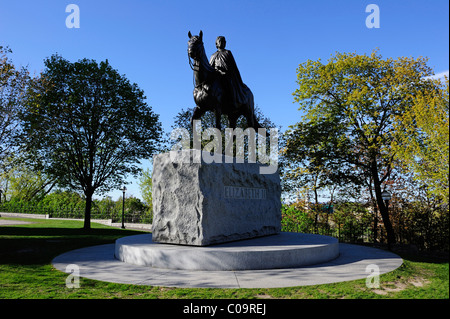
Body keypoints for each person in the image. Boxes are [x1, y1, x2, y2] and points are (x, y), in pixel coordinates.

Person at [209, 36, 248, 108]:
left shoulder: (227, 52)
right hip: (217, 76)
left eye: (224, 42)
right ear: (216, 44)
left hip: (226, 75)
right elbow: (210, 67)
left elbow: (233, 66)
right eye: (220, 41)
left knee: (229, 85)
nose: (222, 43)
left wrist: (226, 71)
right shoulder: (213, 55)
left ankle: (232, 101)